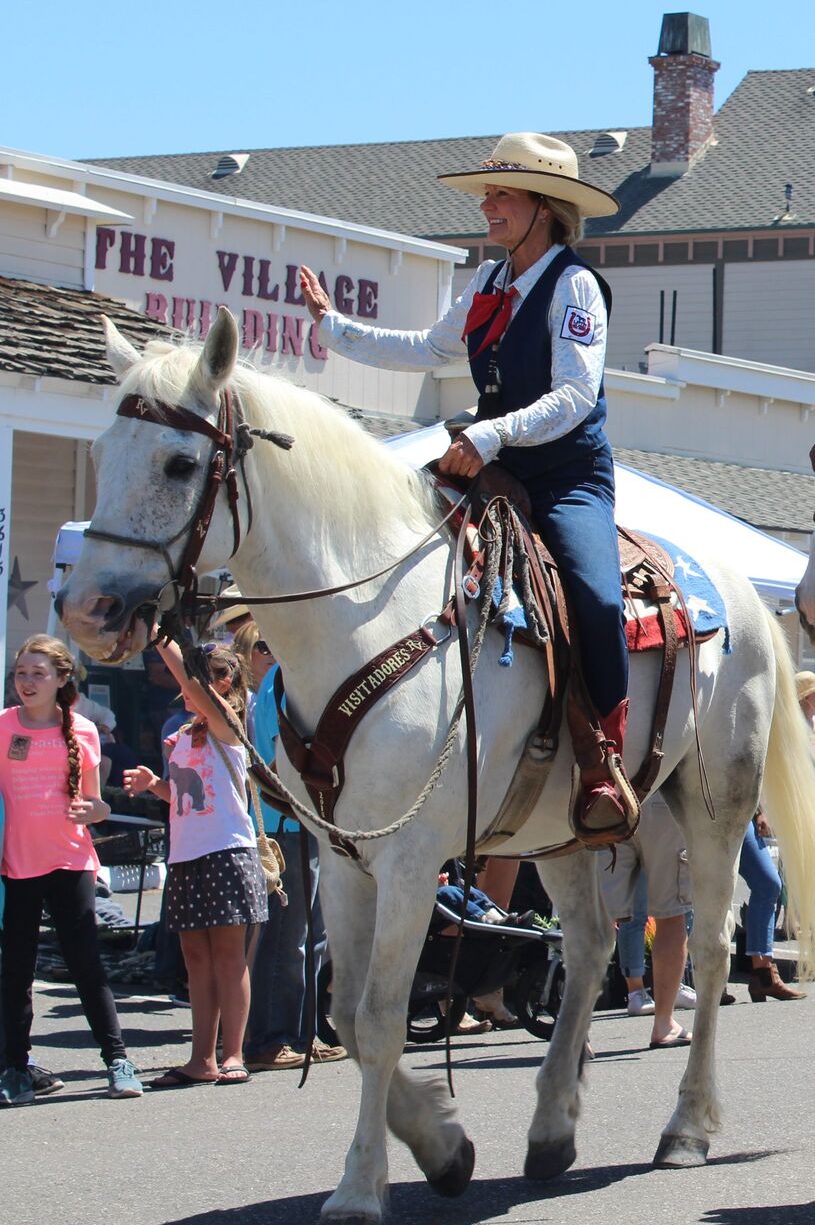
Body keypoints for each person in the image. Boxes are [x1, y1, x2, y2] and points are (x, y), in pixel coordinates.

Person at [300, 131, 638, 847]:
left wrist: (490, 434)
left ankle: (603, 755)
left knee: (598, 596)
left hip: (566, 476)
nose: (487, 206)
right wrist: (333, 329)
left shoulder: (574, 285)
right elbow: (429, 348)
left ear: (544, 206)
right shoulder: (489, 280)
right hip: (491, 467)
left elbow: (576, 396)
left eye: (501, 194)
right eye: (488, 193)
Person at [0, 636, 144, 1104]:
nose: (26, 682)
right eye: (21, 673)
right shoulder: (3, 726)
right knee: (16, 970)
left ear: (62, 679)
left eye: (37, 673)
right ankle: (15, 1068)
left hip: (71, 860)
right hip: (17, 864)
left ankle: (118, 1061)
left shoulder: (82, 729)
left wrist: (95, 811)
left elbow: (98, 803)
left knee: (86, 965)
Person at [121, 642, 267, 1088]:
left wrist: (161, 637)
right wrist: (154, 784)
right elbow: (184, 796)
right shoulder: (185, 734)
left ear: (223, 682)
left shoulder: (229, 725)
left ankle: (233, 1053)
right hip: (185, 854)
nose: (183, 690)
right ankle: (201, 1058)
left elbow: (193, 686)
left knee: (228, 957)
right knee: (195, 959)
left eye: (194, 681)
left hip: (227, 852)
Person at [239, 624, 343, 1073]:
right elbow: (285, 754)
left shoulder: (286, 679)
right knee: (288, 937)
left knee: (311, 937)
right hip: (288, 821)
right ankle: (271, 1038)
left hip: (302, 821)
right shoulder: (283, 683)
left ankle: (301, 1032)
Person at [598, 796, 698, 1047]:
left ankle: (577, 1032)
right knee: (671, 916)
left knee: (596, 916)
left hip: (607, 799)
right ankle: (663, 1024)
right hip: (659, 798)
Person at [737, 812, 803, 1002]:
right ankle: (713, 980)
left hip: (740, 813)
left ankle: (763, 974)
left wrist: (759, 811)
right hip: (705, 813)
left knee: (768, 884)